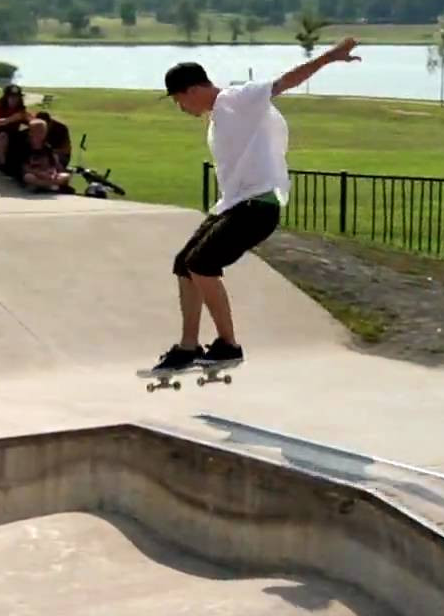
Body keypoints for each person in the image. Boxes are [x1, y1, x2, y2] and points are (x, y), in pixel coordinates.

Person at [150, 37, 361, 372]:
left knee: (201, 265)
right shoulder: (219, 116)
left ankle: (228, 345)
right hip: (236, 205)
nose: (181, 108)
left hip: (258, 206)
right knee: (184, 264)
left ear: (192, 90)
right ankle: (188, 346)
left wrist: (329, 57)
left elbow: (283, 83)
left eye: (179, 100)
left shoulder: (237, 98)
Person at [0, 84, 30, 174]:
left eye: (17, 97)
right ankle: (2, 166)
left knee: (28, 134)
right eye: (11, 97)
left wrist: (29, 120)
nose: (14, 100)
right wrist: (9, 120)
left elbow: (32, 120)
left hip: (11, 142)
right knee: (3, 135)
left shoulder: (20, 110)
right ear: (6, 97)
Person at [20, 118, 72, 192]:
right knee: (28, 177)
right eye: (39, 131)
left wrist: (52, 173)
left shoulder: (47, 148)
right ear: (31, 132)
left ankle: (43, 185)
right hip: (35, 174)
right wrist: (39, 173)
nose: (41, 134)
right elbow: (24, 168)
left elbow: (54, 165)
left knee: (66, 176)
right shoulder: (25, 148)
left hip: (47, 174)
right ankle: (48, 185)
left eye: (43, 131)